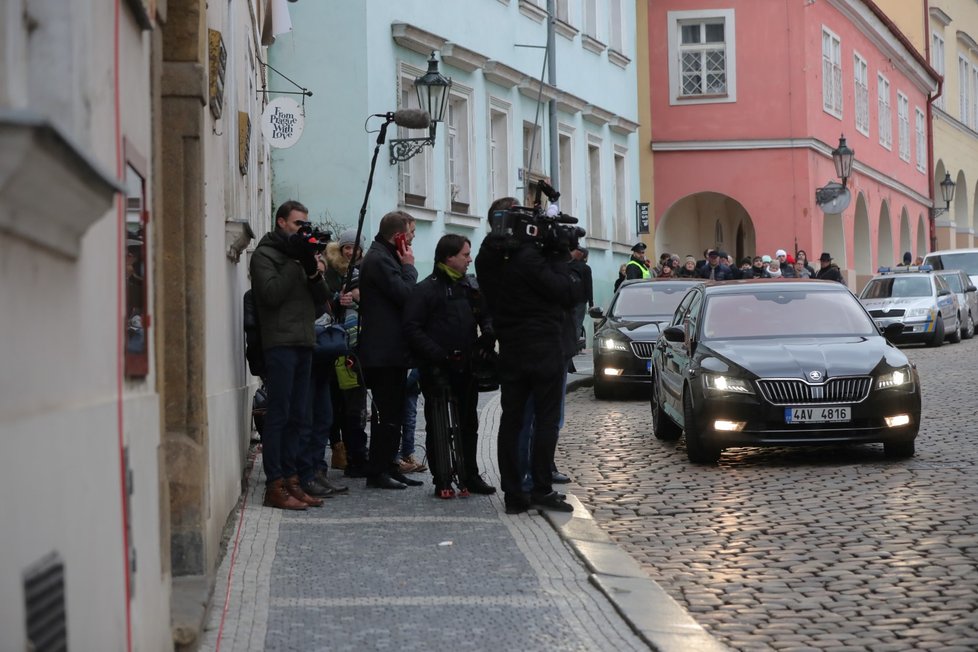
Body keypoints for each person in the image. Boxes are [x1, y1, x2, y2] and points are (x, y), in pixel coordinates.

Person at [476, 196, 583, 514]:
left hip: (511, 346)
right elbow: (566, 292)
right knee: (546, 420)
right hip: (543, 347)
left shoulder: (487, 258)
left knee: (512, 421)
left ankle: (514, 493)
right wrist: (560, 254)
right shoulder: (530, 259)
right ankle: (540, 487)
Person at [249, 200, 330, 510]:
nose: (302, 230)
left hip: (304, 341)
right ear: (281, 222)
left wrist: (311, 268)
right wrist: (296, 264)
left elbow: (322, 299)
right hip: (279, 342)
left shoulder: (300, 257)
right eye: (298, 224)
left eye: (304, 225)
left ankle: (293, 480)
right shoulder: (264, 255)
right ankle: (275, 484)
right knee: (279, 416)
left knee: (299, 415)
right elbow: (270, 295)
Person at [404, 234, 496, 498]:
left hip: (467, 366)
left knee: (469, 423)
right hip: (436, 368)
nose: (469, 259)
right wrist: (438, 354)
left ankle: (471, 474)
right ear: (449, 257)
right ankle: (441, 477)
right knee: (438, 424)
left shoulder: (470, 286)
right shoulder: (426, 289)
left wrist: (488, 332)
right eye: (465, 255)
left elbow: (485, 314)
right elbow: (412, 328)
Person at [357, 210, 421, 490]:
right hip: (382, 351)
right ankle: (378, 470)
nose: (412, 240)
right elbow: (407, 296)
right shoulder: (379, 259)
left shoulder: (385, 256)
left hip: (391, 349)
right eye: (410, 235)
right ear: (398, 237)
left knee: (393, 414)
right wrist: (409, 267)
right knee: (386, 414)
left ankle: (389, 466)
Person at [323, 228, 370, 477]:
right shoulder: (329, 272)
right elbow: (322, 300)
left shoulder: (361, 273)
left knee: (353, 402)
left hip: (353, 347)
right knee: (336, 403)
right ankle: (340, 450)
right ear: (340, 249)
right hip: (333, 345)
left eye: (356, 249)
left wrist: (357, 299)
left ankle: (355, 454)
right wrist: (336, 298)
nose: (351, 252)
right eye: (347, 248)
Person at [398, 214, 428, 475]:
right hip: (400, 349)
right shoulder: (398, 262)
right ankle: (401, 454)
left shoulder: (404, 258)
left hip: (411, 351)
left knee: (409, 408)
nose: (414, 236)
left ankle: (407, 452)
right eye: (411, 230)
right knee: (400, 407)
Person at [568, 246, 593, 353]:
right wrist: (591, 302)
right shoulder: (586, 268)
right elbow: (589, 286)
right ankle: (573, 347)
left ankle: (568, 345)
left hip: (568, 299)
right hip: (581, 300)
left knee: (569, 323)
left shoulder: (568, 266)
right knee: (578, 324)